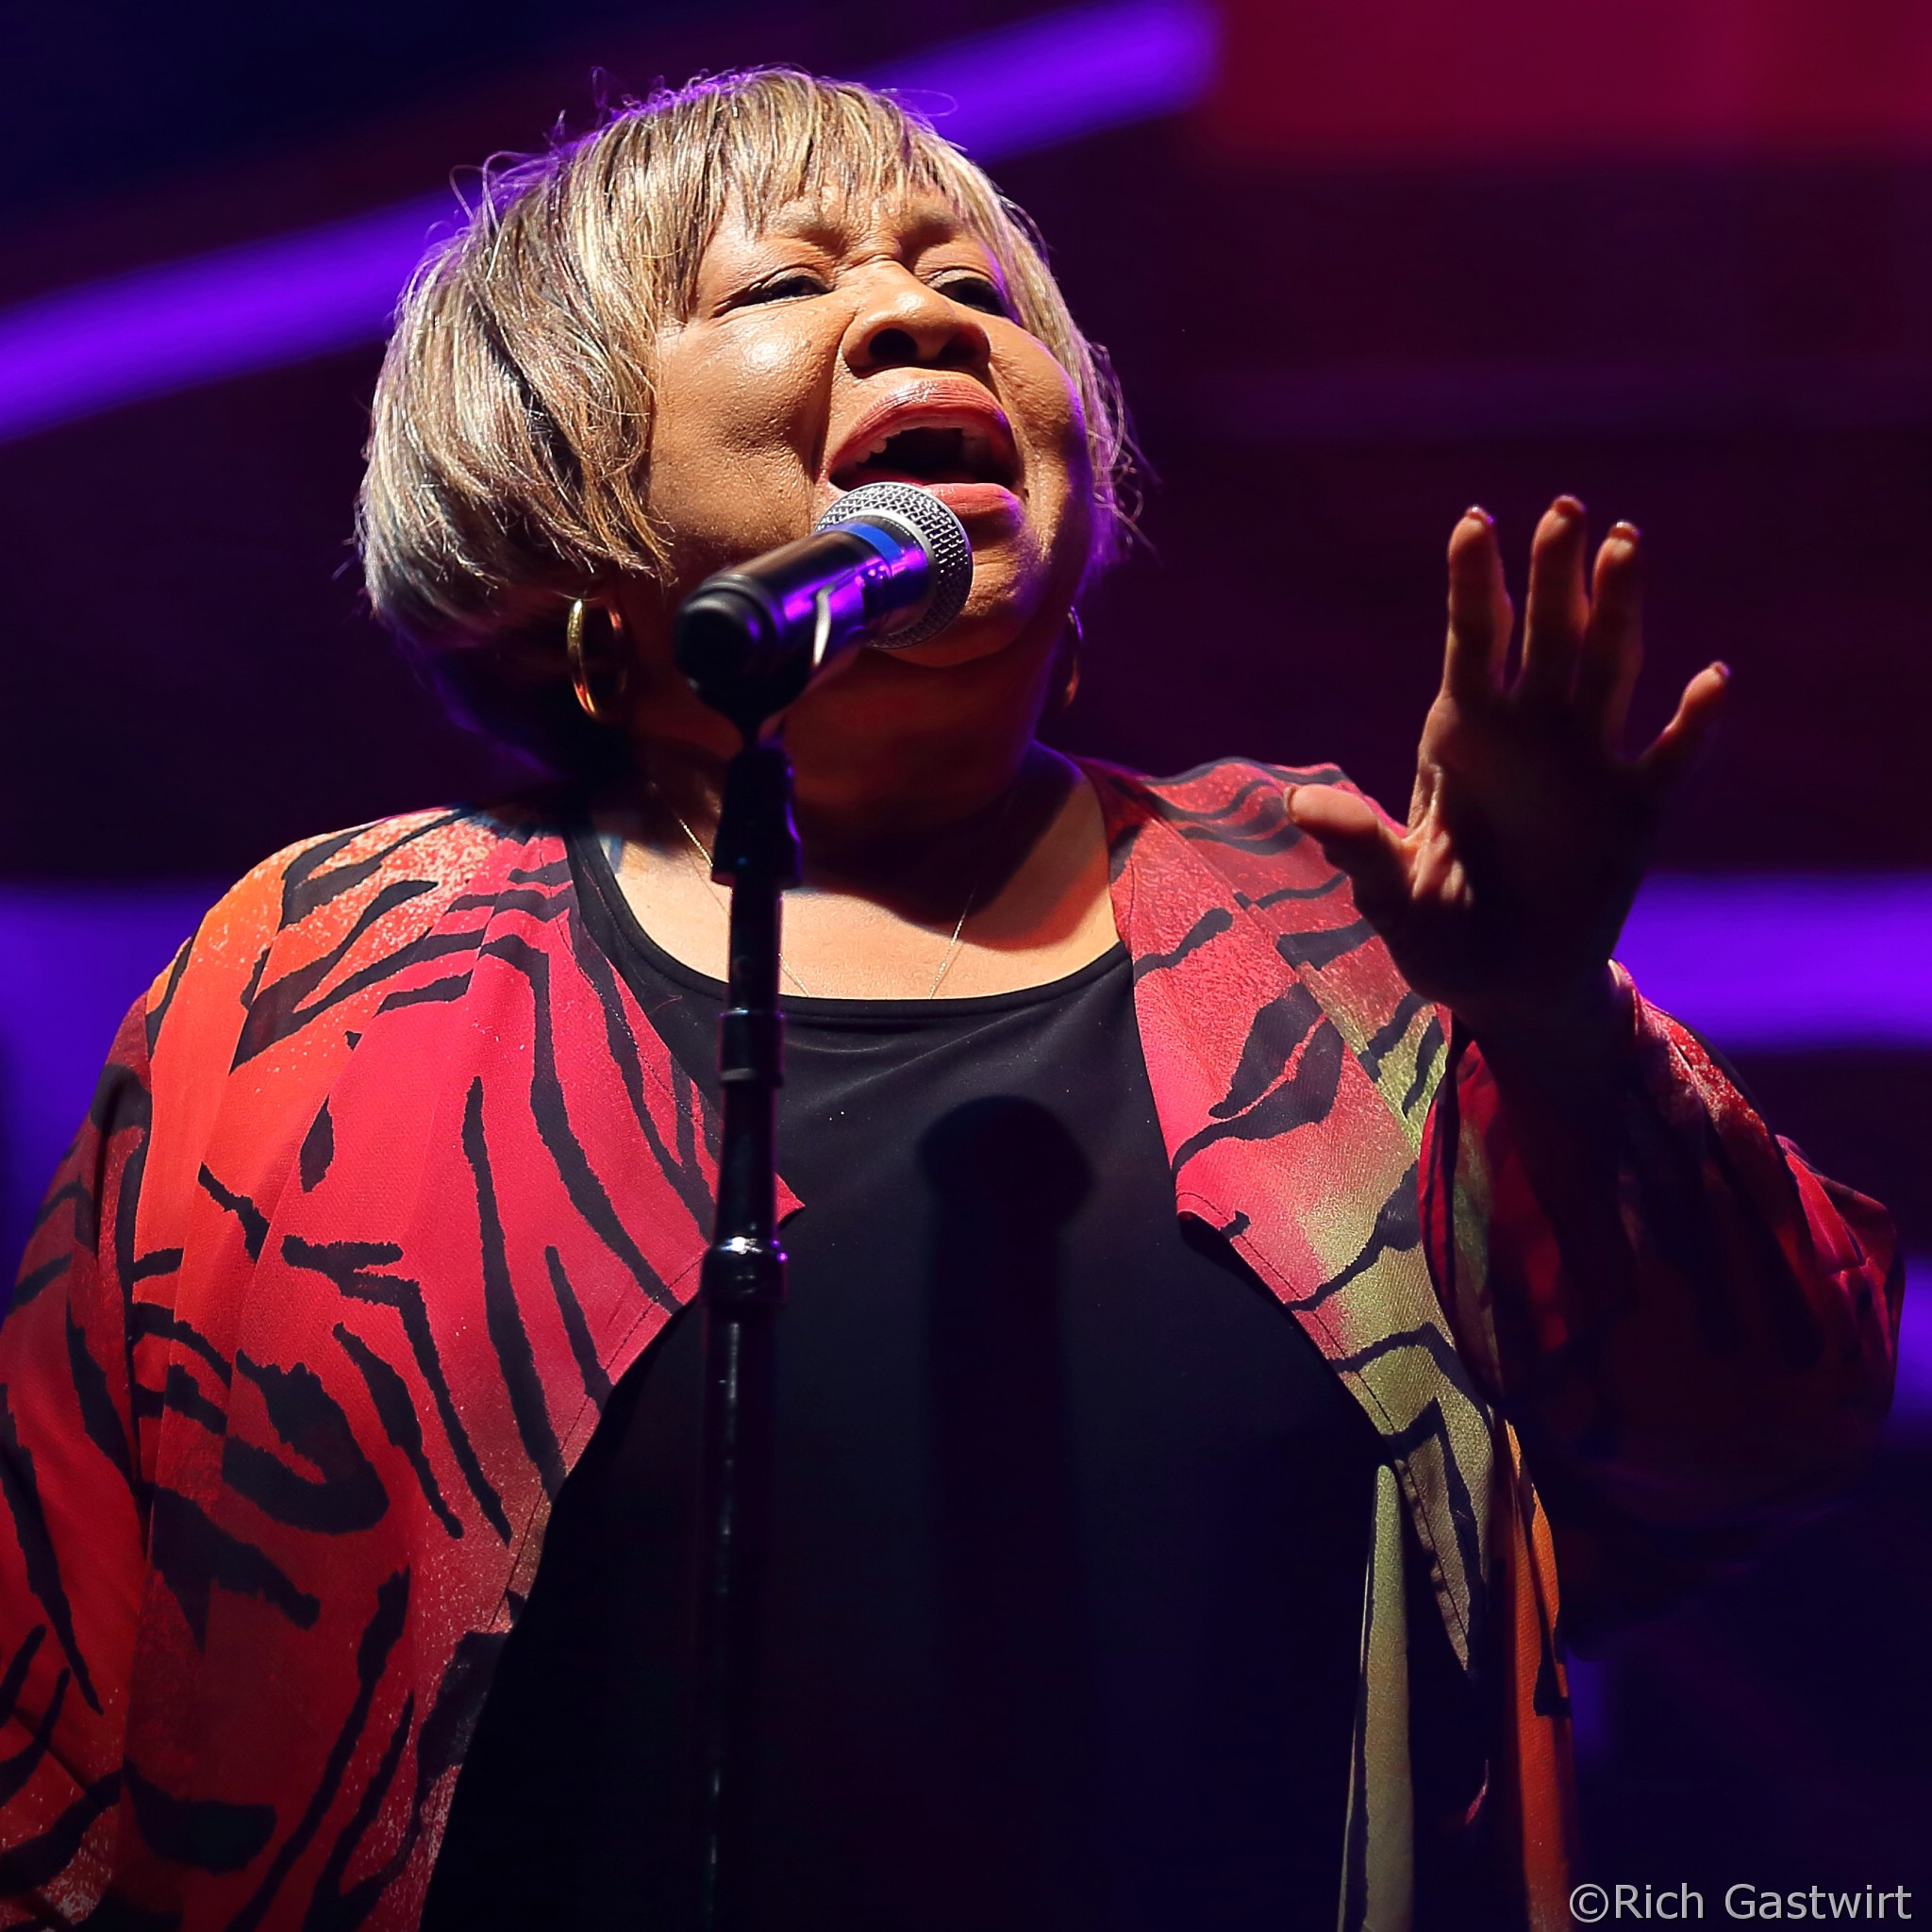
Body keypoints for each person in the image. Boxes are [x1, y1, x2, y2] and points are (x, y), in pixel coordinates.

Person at [0, 68, 1899, 1932]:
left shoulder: (1329, 928)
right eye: (777, 288)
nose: (919, 310)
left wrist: (1556, 1017)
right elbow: (55, 1695)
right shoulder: (329, 978)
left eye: (980, 293)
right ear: (547, 482)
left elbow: (1759, 1431)